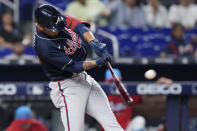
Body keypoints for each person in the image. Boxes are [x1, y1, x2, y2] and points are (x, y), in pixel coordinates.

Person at [34, 4, 123, 131]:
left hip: (84, 79)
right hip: (67, 86)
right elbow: (74, 66)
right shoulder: (44, 47)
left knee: (112, 125)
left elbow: (80, 27)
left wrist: (94, 42)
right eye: (53, 29)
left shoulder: (56, 20)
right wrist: (97, 62)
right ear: (40, 26)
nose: (58, 30)